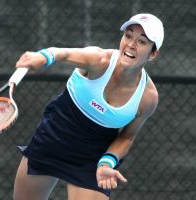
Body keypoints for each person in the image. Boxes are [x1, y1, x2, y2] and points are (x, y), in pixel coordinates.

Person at [13, 13, 164, 200]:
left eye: (142, 42)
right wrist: (42, 57)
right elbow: (63, 54)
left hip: (91, 161)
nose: (131, 44)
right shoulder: (99, 60)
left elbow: (127, 136)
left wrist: (107, 163)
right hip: (51, 141)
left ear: (153, 54)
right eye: (128, 35)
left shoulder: (148, 98)